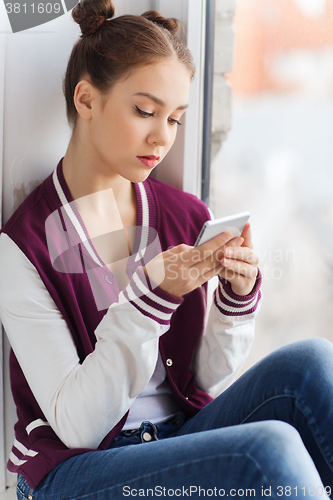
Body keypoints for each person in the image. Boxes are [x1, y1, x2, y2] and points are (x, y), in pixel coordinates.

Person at [0, 1, 332, 498]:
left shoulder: (182, 215)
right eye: (144, 111)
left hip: (176, 437)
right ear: (87, 100)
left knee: (311, 363)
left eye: (175, 119)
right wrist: (150, 298)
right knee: (269, 452)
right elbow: (78, 426)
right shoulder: (26, 245)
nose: (162, 138)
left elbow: (200, 375)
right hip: (79, 468)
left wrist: (233, 301)